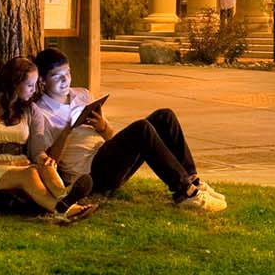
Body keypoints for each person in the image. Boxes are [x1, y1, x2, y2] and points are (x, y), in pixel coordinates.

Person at [28, 47, 227, 211]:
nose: (65, 80)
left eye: (68, 73)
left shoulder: (82, 95)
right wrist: (66, 131)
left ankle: (193, 181)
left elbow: (110, 137)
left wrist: (102, 126)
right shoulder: (40, 112)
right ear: (42, 81)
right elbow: (47, 161)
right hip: (89, 174)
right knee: (141, 129)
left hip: (108, 157)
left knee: (164, 116)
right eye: (57, 76)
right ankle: (185, 193)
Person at [0, 57, 96, 218]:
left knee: (43, 166)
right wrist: (11, 163)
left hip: (23, 167)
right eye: (29, 85)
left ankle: (65, 200)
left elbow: (37, 152)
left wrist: (44, 159)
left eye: (35, 85)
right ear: (14, 84)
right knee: (29, 173)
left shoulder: (31, 111)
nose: (34, 90)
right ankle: (66, 208)